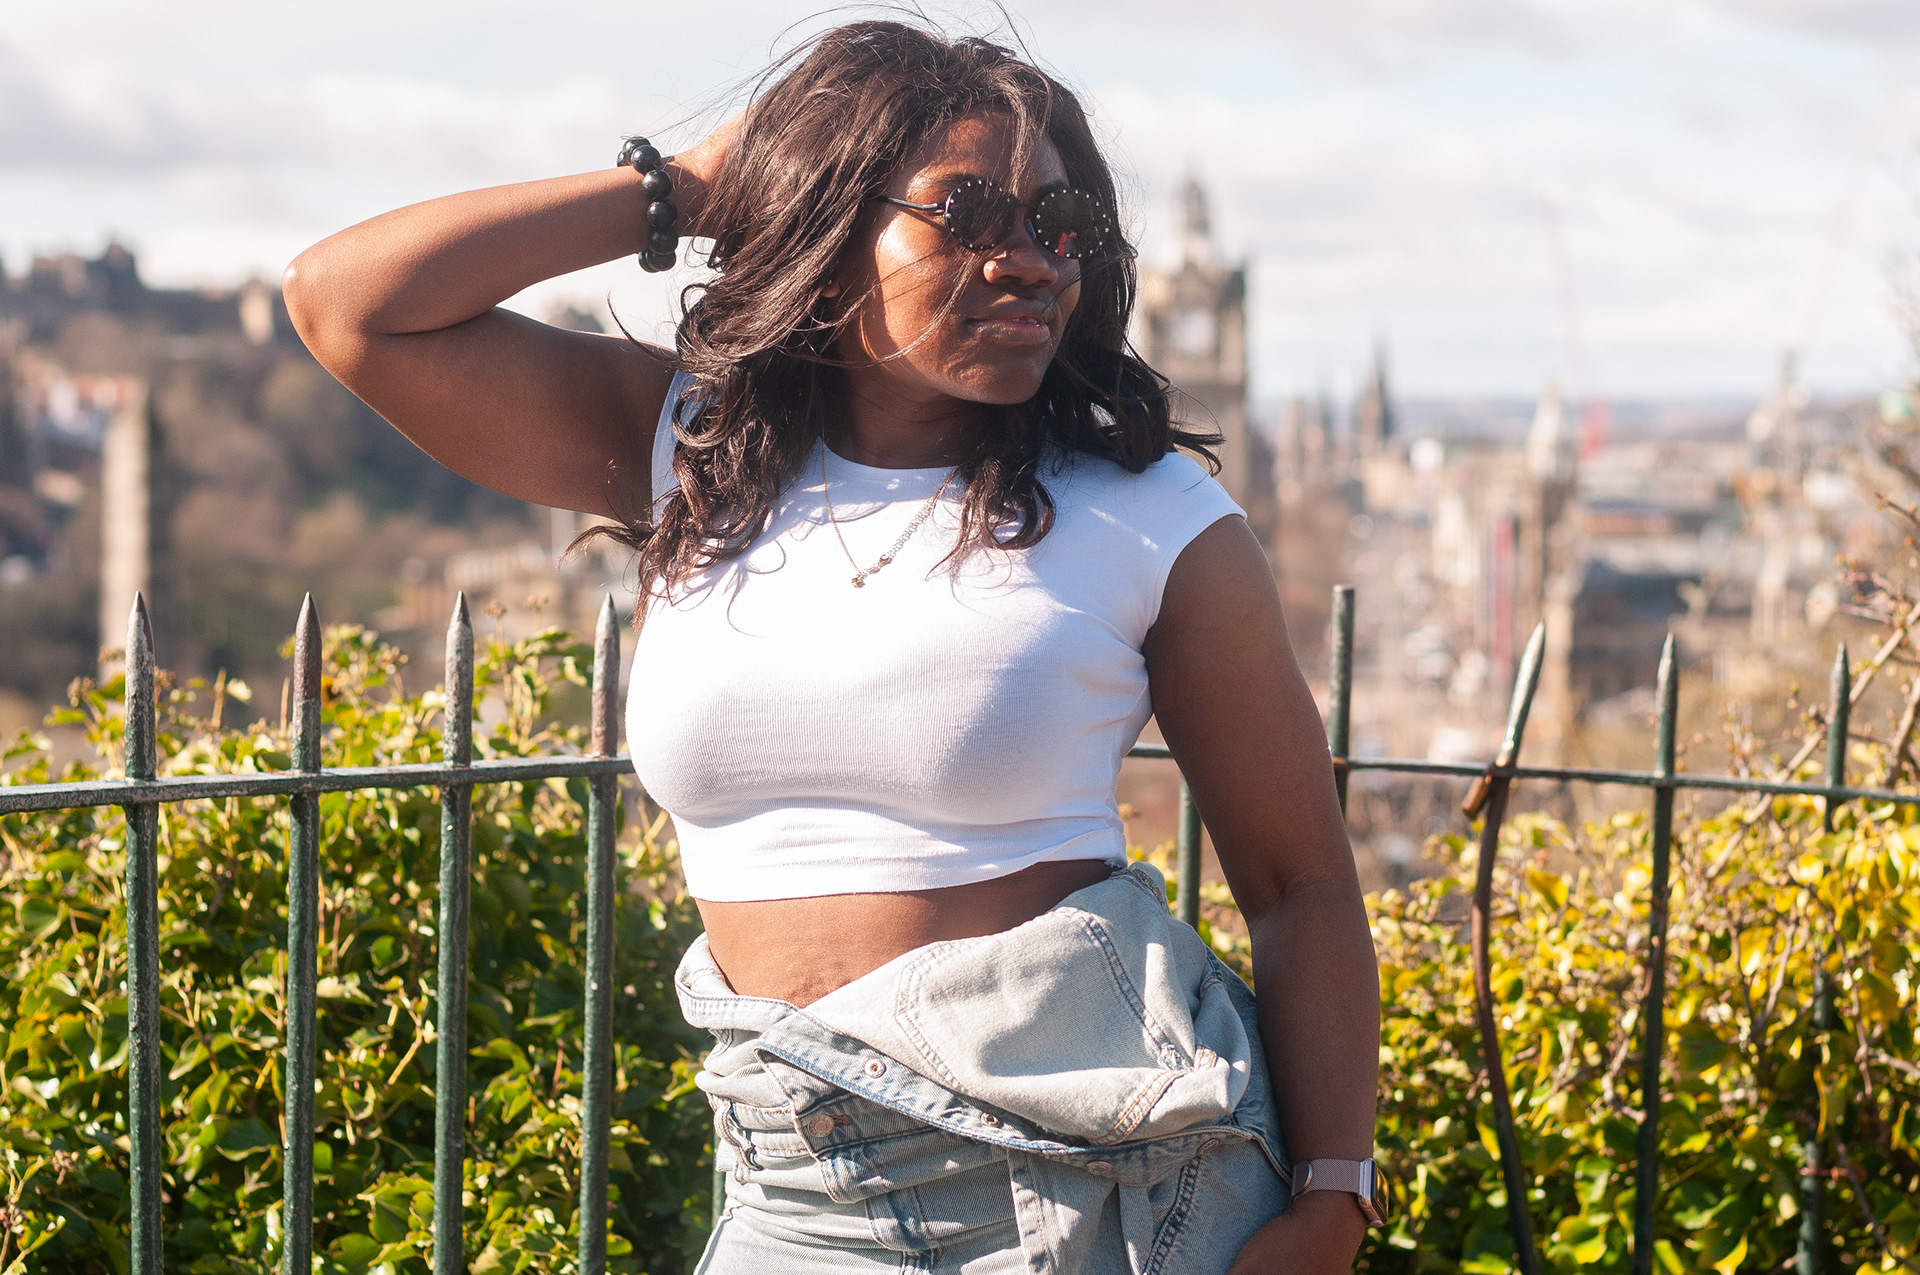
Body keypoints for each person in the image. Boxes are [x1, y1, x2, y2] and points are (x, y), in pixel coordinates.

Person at [284, 19, 1381, 1273]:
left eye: (1057, 221)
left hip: (1101, 1197)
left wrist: (1332, 1202)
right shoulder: (692, 450)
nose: (1028, 260)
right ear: (827, 219)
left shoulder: (1150, 518)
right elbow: (346, 306)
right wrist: (684, 186)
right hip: (790, 1182)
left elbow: (1299, 882)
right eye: (966, 214)